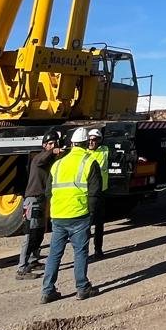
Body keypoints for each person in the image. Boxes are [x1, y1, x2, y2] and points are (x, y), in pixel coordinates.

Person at [40, 128, 103, 303]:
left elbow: (48, 192)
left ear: (72, 144)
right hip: (79, 215)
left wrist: (54, 211)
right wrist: (91, 213)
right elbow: (94, 193)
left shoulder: (58, 164)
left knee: (54, 254)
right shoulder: (90, 162)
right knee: (80, 252)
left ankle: (47, 291)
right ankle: (82, 288)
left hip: (59, 216)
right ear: (86, 144)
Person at [14, 129, 63, 280]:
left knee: (40, 232)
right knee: (30, 234)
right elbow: (42, 159)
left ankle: (33, 260)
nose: (53, 145)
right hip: (33, 200)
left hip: (42, 199)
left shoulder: (49, 160)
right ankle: (21, 269)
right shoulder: (39, 158)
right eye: (50, 143)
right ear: (44, 145)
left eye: (55, 143)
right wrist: (53, 151)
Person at [85, 126, 110, 258]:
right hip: (87, 194)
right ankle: (84, 251)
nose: (91, 142)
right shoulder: (84, 153)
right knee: (86, 224)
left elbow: (119, 155)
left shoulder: (104, 151)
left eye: (94, 140)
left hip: (100, 193)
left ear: (99, 140)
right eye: (89, 140)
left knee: (99, 224)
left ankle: (98, 250)